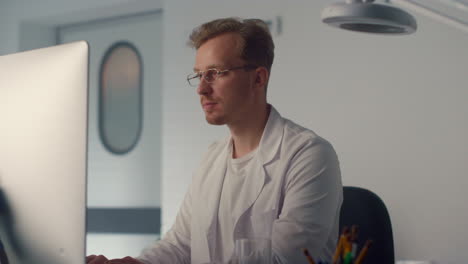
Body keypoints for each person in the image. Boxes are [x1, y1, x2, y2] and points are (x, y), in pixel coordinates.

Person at [87, 17, 342, 264]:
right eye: (199, 75)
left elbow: (283, 260)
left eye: (216, 73)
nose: (202, 88)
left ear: (258, 78)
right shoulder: (213, 157)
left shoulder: (310, 155)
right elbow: (180, 244)